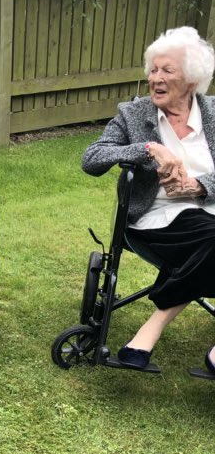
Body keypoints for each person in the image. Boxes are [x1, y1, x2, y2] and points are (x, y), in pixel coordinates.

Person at [82, 25, 215, 373]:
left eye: (166, 70)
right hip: (155, 218)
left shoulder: (214, 114)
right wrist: (148, 148)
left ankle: (149, 331)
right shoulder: (133, 114)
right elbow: (92, 159)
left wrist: (199, 186)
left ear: (190, 80)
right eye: (152, 70)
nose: (155, 78)